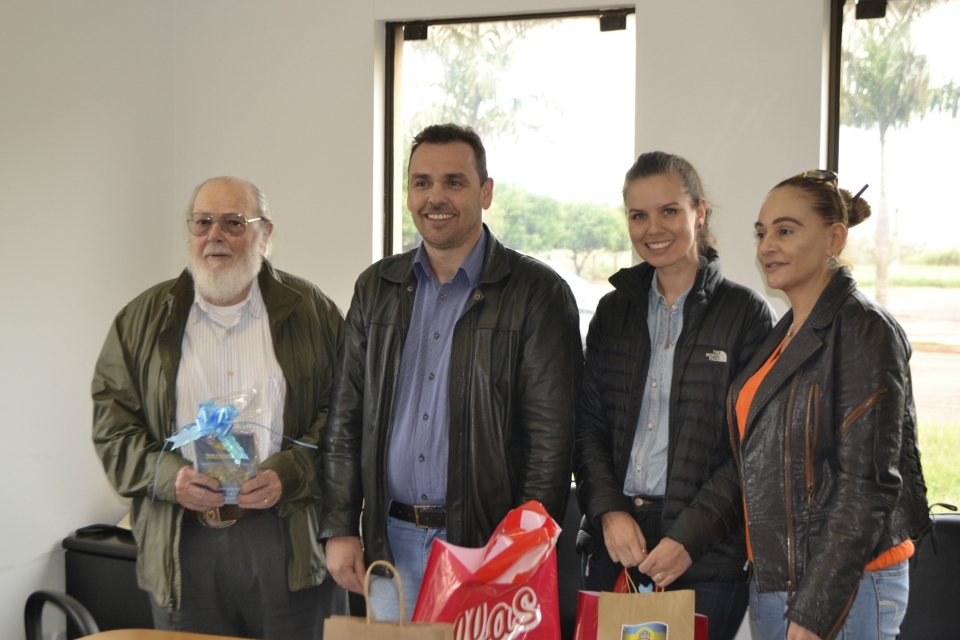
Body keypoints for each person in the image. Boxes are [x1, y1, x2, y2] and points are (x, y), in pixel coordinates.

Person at [320, 123, 582, 620]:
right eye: (422, 182)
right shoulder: (376, 288)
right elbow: (345, 419)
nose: (435, 197)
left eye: (454, 182)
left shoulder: (537, 293)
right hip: (389, 545)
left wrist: (520, 547)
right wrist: (339, 526)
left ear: (485, 192)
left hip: (486, 549)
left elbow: (551, 440)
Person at [92, 176, 348, 639]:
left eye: (233, 223)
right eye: (203, 222)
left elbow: (345, 416)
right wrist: (170, 478)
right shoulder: (139, 320)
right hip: (183, 543)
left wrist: (291, 472)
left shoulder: (313, 312)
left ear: (265, 234)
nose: (215, 235)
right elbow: (113, 429)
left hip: (286, 536)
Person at [574, 152, 775, 640]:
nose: (653, 229)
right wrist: (609, 511)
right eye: (638, 215)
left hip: (705, 553)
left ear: (699, 212)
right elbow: (587, 425)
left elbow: (752, 447)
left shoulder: (746, 314)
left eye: (669, 211)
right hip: (616, 542)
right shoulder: (612, 312)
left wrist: (688, 538)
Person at [729, 171, 930, 640]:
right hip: (777, 581)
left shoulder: (864, 329)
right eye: (761, 233)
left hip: (845, 590)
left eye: (785, 231)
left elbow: (867, 485)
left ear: (834, 238)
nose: (767, 246)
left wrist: (815, 612)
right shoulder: (786, 333)